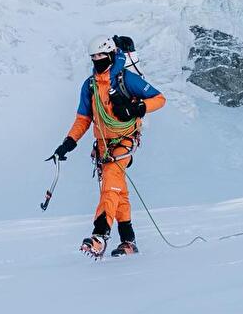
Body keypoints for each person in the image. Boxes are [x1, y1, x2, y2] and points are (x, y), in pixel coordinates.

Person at [49, 36, 166, 258]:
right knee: (118, 190)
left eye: (101, 55)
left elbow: (159, 98)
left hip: (125, 140)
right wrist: (68, 142)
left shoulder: (126, 79)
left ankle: (100, 235)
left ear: (111, 55)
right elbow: (83, 118)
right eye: (93, 56)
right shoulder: (90, 85)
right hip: (103, 145)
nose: (97, 59)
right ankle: (128, 241)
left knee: (110, 185)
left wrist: (137, 108)